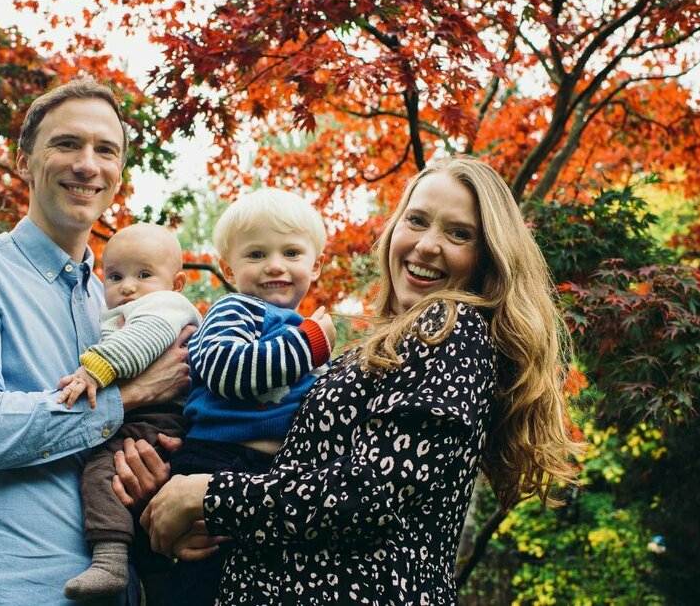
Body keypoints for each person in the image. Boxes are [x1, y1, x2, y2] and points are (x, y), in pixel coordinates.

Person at [130, 156, 582, 605]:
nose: (427, 244)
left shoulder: (450, 324)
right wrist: (182, 479)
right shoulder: (388, 346)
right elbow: (298, 477)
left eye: (458, 233)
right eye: (417, 220)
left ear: (488, 256)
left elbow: (370, 495)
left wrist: (207, 494)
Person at [0, 78, 191, 605]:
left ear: (117, 175)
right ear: (23, 161)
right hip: (9, 590)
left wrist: (150, 476)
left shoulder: (121, 305)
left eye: (105, 150)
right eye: (67, 144)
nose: (88, 164)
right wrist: (128, 396)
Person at [161, 188, 337, 606]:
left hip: (270, 474)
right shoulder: (235, 310)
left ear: (317, 266)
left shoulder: (299, 326)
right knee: (206, 576)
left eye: (291, 252)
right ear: (227, 267)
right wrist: (310, 345)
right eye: (256, 255)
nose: (274, 265)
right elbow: (226, 369)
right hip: (218, 458)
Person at [58, 223, 201, 600]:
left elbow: (144, 339)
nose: (128, 287)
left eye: (144, 275)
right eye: (116, 276)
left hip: (159, 415)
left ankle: (108, 559)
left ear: (177, 283)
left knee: (102, 471)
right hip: (151, 414)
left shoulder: (163, 307)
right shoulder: (132, 307)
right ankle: (155, 580)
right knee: (131, 494)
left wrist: (95, 369)